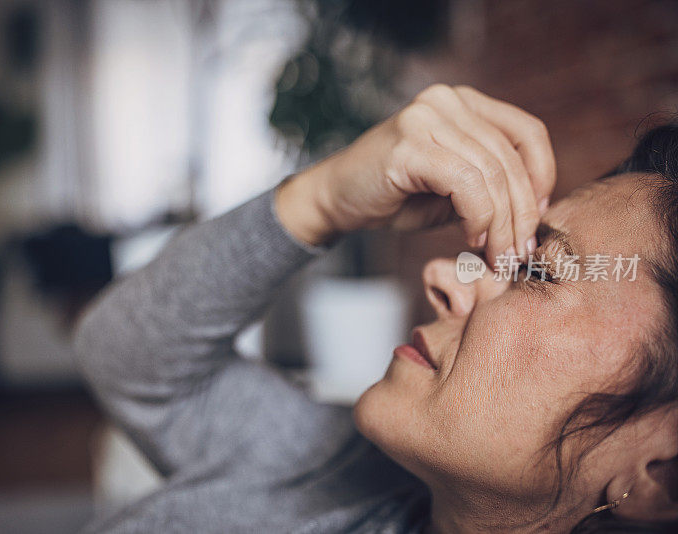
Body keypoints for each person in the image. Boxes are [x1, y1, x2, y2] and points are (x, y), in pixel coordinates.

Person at [75, 84, 678, 533]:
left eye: (539, 271)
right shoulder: (338, 467)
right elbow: (133, 361)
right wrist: (324, 200)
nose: (441, 276)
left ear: (657, 472)